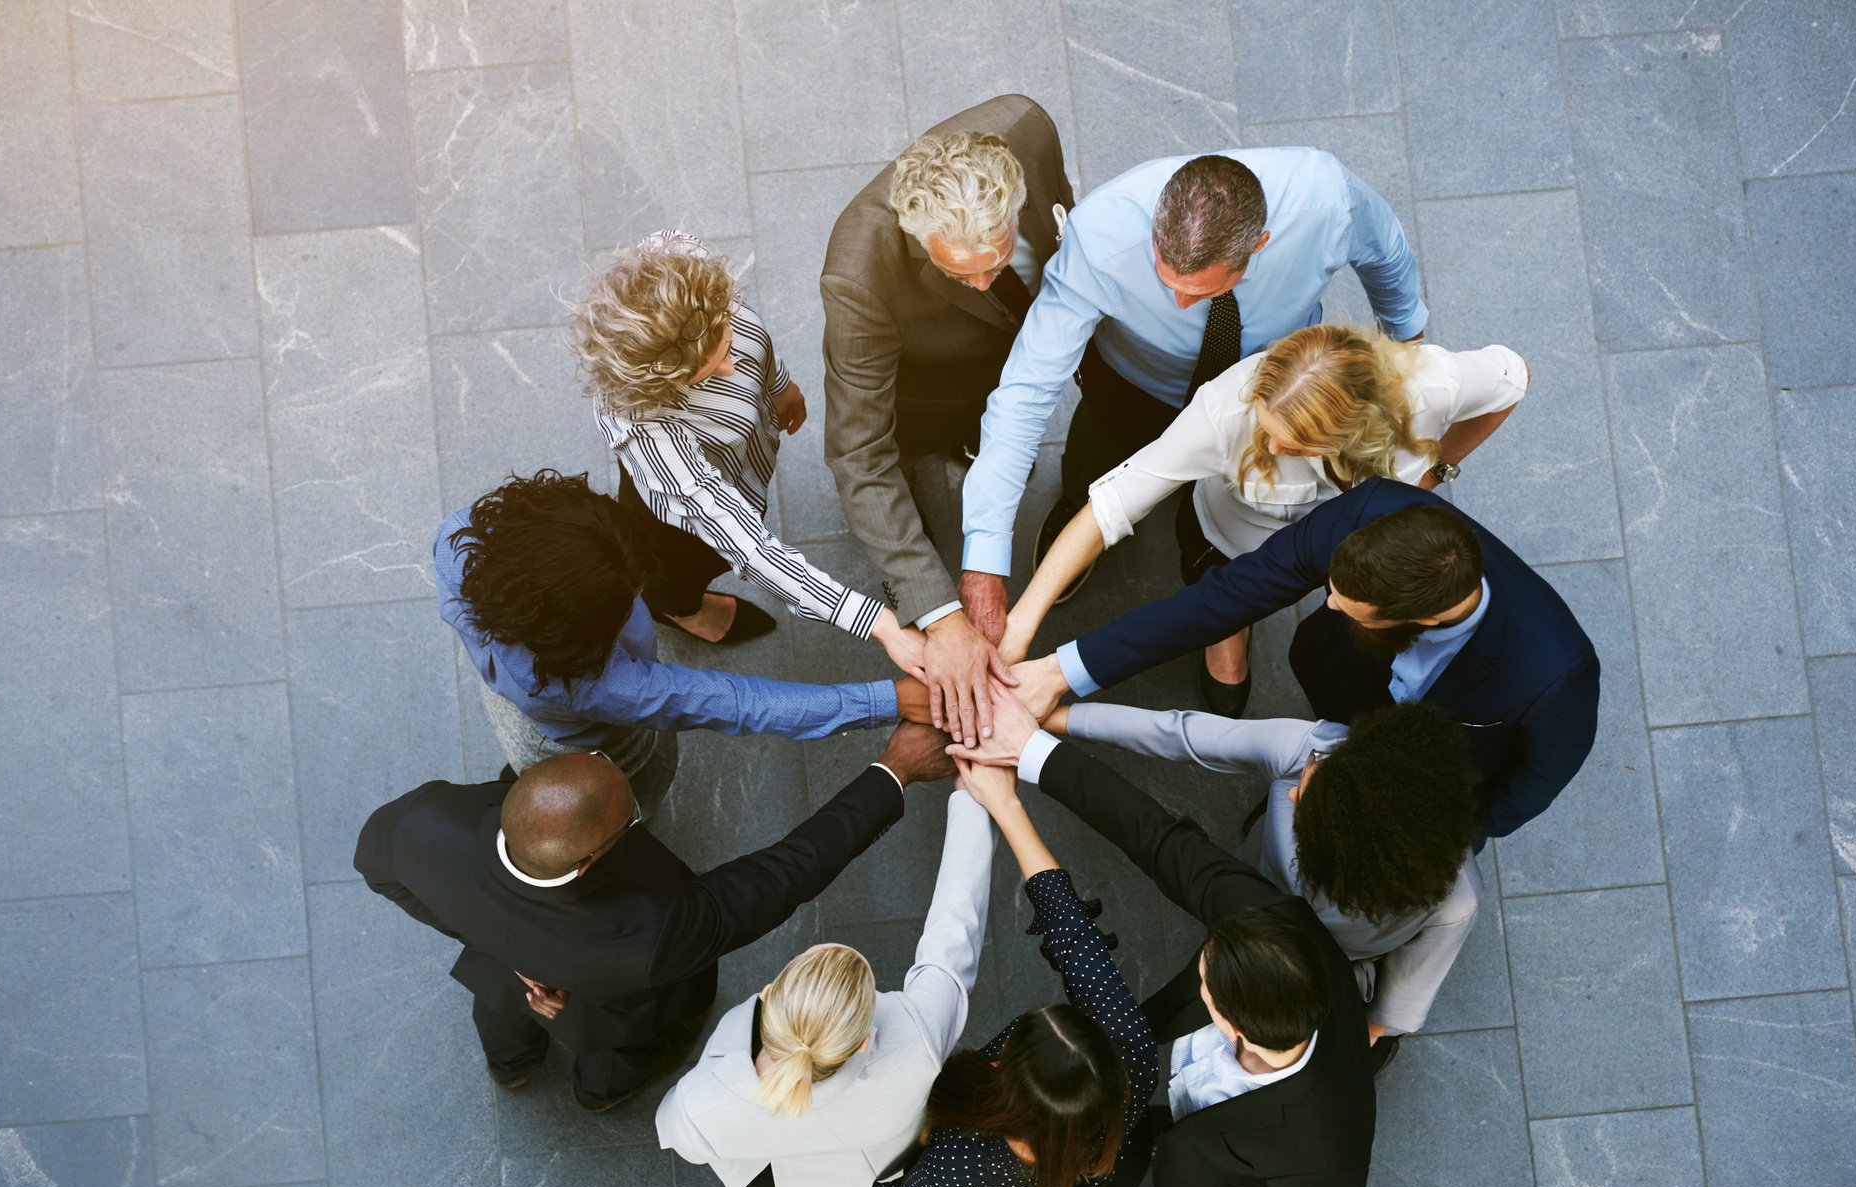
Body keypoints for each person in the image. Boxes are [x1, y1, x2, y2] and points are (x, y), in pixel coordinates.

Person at [951, 148, 1427, 707]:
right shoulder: (1099, 234)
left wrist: (1407, 345)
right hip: (1133, 381)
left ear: (1260, 246)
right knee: (1098, 455)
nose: (1178, 304)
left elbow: (1387, 254)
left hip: (1274, 390)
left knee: (1249, 504)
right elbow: (1026, 390)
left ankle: (1224, 609)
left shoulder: (1327, 199)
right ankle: (1074, 525)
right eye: (1164, 278)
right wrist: (984, 554)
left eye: (1199, 293)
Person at [961, 697, 1375, 1187]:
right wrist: (1032, 751)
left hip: (1224, 1184)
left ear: (1229, 1022)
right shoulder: (1273, 926)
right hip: (1194, 1108)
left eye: (1203, 983)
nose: (1196, 973)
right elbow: (1159, 839)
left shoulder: (1327, 1152)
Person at [352, 721, 953, 1114]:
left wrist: (496, 944)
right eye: (631, 817)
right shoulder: (650, 936)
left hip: (501, 971)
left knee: (505, 1013)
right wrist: (893, 771)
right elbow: (786, 874)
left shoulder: (422, 822)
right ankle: (599, 1095)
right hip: (608, 1009)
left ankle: (510, 1065)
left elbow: (376, 868)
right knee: (619, 1052)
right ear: (589, 861)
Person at [1010, 482, 1599, 844]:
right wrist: (1059, 671)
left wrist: (1428, 836)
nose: (1329, 602)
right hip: (1343, 679)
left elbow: (1529, 788)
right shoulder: (1371, 512)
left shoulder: (1556, 675)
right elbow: (1226, 597)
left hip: (1426, 771)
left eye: (1349, 605)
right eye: (1333, 587)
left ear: (1421, 619)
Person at [1005, 325, 1528, 715]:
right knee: (1222, 600)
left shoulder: (1431, 386)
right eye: (1267, 429)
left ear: (1356, 426)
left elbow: (1512, 378)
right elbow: (1112, 504)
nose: (1273, 448)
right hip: (1239, 548)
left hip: (1365, 550)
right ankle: (1230, 633)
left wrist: (1436, 470)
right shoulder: (1222, 413)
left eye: (1295, 444)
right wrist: (1022, 622)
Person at [654, 786, 996, 1187]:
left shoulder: (699, 1102)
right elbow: (955, 928)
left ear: (771, 992)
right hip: (869, 1169)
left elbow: (680, 1137)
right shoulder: (918, 1043)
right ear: (861, 1042)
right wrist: (974, 799)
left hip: (772, 1181)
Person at [821, 95, 1076, 747]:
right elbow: (860, 454)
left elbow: (1062, 214)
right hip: (925, 388)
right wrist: (938, 612)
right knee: (902, 465)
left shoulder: (1026, 124)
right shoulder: (859, 270)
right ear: (915, 235)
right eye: (962, 271)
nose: (986, 279)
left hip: (1000, 362)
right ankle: (909, 567)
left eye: (998, 257)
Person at [438, 470, 928, 810]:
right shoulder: (601, 687)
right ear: (580, 628)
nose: (640, 596)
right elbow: (738, 703)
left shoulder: (457, 541)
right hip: (587, 743)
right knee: (633, 792)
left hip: (521, 697)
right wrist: (888, 698)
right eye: (623, 604)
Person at [1039, 700, 1482, 1070]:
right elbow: (1179, 734)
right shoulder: (1317, 748)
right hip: (1247, 892)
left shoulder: (1454, 904)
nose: (1292, 794)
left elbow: (1384, 1014)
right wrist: (1053, 717)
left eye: (1310, 809)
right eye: (1314, 773)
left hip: (1311, 965)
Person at [573, 231, 927, 683]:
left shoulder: (684, 266)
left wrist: (777, 385)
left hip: (740, 467)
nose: (730, 368)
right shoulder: (649, 429)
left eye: (725, 338)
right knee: (682, 570)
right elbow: (750, 546)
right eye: (706, 373)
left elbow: (751, 338)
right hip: (677, 528)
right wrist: (878, 624)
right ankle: (677, 610)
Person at [871, 756, 1159, 1187]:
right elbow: (1076, 939)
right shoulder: (1133, 1054)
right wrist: (1005, 803)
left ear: (1009, 1081)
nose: (997, 1059)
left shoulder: (970, 1163)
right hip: (1114, 1178)